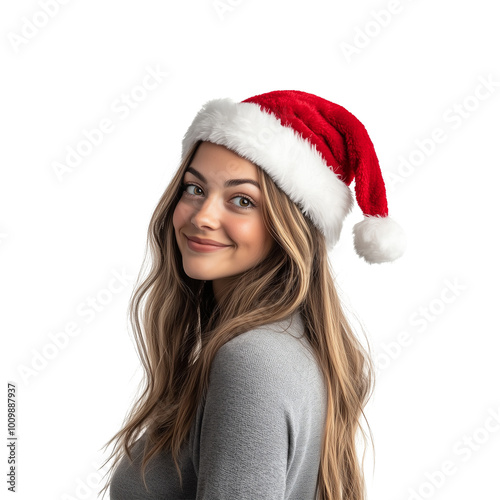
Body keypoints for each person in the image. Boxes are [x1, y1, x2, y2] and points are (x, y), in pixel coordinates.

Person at [99, 90, 406, 500]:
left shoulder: (250, 361)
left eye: (242, 200)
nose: (203, 216)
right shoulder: (278, 343)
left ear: (288, 226)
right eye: (194, 188)